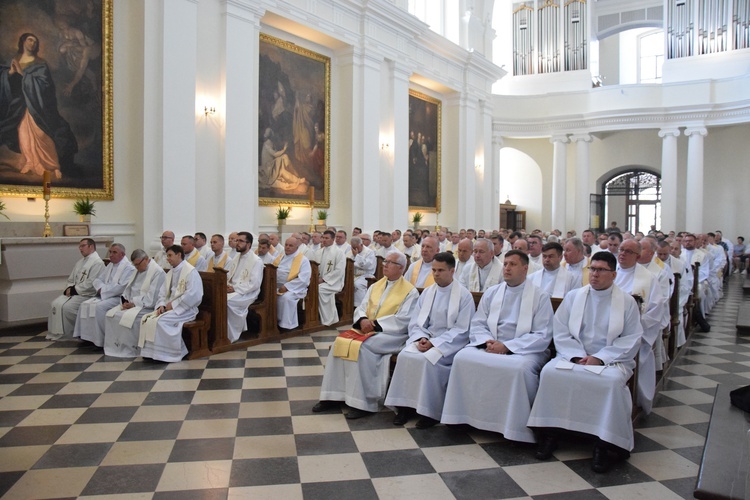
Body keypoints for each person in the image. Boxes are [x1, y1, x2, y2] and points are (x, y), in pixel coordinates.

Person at [528, 251, 643, 473]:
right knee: (551, 373)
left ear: (614, 274)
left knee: (609, 383)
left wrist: (599, 358)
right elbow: (560, 330)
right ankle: (550, 434)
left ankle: (604, 443)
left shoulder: (627, 302)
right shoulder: (574, 296)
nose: (595, 274)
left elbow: (631, 339)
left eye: (601, 270)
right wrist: (575, 355)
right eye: (592, 269)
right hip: (573, 357)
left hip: (611, 361)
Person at [442, 250, 553, 442]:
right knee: (462, 358)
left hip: (524, 350)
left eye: (513, 264)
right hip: (490, 344)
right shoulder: (493, 292)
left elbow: (542, 334)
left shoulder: (540, 296)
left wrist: (508, 346)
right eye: (506, 264)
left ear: (525, 269)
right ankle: (461, 417)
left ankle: (514, 427)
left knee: (519, 369)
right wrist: (487, 341)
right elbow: (478, 323)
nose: (507, 268)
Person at [314, 252, 419, 419]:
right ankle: (333, 395)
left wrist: (375, 325)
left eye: (390, 262)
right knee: (339, 342)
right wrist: (362, 319)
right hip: (368, 329)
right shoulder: (375, 286)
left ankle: (363, 403)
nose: (385, 264)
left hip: (393, 335)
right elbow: (362, 307)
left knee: (362, 347)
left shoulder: (410, 292)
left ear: (400, 268)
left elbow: (404, 319)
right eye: (385, 261)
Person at [385, 252, 474, 427]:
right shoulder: (427, 292)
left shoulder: (464, 296)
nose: (436, 274)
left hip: (448, 344)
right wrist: (422, 338)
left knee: (428, 362)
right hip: (425, 340)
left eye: (441, 270)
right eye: (434, 270)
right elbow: (416, 321)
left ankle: (429, 412)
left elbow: (462, 329)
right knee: (405, 356)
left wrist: (435, 343)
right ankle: (405, 407)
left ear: (452, 271)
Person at [0, 33, 78, 178]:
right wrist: (10, 73)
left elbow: (46, 86)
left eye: (35, 41)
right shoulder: (14, 61)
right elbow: (5, 82)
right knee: (23, 135)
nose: (32, 43)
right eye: (30, 40)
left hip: (37, 106)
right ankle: (30, 162)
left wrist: (23, 74)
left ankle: (53, 165)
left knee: (42, 133)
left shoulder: (40, 64)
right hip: (20, 106)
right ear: (23, 41)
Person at [614, 240, 664, 414]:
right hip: (604, 332)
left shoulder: (649, 278)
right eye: (621, 250)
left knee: (639, 354)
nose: (622, 254)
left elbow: (655, 311)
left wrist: (629, 326)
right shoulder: (608, 272)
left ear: (638, 256)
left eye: (628, 251)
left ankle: (635, 399)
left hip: (634, 334)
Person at [139, 245, 203, 362]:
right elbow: (162, 293)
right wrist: (161, 305)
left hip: (186, 309)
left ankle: (171, 354)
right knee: (147, 319)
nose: (167, 259)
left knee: (161, 321)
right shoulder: (170, 273)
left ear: (179, 255)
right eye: (167, 256)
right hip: (170, 308)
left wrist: (173, 305)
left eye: (170, 255)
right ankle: (152, 353)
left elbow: (194, 295)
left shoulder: (190, 272)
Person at [103, 250, 166, 358]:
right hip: (133, 304)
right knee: (110, 314)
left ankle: (131, 349)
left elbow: (152, 298)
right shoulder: (137, 270)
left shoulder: (157, 272)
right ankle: (116, 347)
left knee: (123, 317)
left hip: (146, 307)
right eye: (134, 265)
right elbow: (128, 289)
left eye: (138, 264)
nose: (136, 267)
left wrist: (134, 303)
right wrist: (125, 301)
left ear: (146, 259)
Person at [73, 243, 135, 347]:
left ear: (122, 254)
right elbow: (98, 280)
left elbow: (121, 287)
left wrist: (104, 290)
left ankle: (100, 341)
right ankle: (86, 337)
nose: (111, 254)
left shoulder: (129, 268)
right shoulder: (110, 265)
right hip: (104, 295)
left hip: (118, 298)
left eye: (114, 252)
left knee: (98, 308)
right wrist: (101, 289)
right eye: (110, 252)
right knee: (84, 304)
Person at [47, 238, 105, 340]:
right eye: (79, 246)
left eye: (83, 246)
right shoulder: (80, 262)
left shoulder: (97, 263)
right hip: (76, 293)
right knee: (55, 303)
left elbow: (92, 283)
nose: (80, 248)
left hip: (87, 294)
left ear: (91, 246)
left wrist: (74, 290)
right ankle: (57, 333)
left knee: (67, 308)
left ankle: (77, 332)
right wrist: (68, 288)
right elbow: (71, 279)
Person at [223, 231, 263, 342]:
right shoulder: (236, 258)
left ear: (249, 244)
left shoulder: (256, 261)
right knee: (218, 299)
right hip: (233, 290)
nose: (237, 243)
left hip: (248, 292)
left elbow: (254, 283)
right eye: (237, 240)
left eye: (241, 241)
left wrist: (235, 288)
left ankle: (231, 335)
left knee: (226, 302)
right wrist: (227, 286)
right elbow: (229, 276)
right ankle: (221, 333)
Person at [273, 237, 312, 329]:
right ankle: (272, 322)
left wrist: (287, 287)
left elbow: (304, 279)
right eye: (286, 245)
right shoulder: (280, 256)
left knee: (286, 298)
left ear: (296, 247)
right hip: (276, 286)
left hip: (295, 288)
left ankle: (285, 324)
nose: (287, 247)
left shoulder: (303, 260)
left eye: (291, 245)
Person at [316, 230, 346, 326]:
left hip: (334, 282)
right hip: (321, 281)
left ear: (333, 239)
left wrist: (324, 279)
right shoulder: (319, 252)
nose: (324, 240)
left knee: (320, 290)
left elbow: (339, 271)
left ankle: (329, 319)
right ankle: (314, 317)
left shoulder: (339, 252)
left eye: (326, 238)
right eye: (323, 238)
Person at [349, 236, 376, 307]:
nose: (355, 249)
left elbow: (366, 265)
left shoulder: (369, 252)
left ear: (361, 244)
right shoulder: (351, 251)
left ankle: (360, 306)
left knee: (357, 284)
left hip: (366, 275)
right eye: (353, 247)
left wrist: (356, 256)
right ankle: (348, 306)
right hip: (353, 275)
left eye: (356, 247)